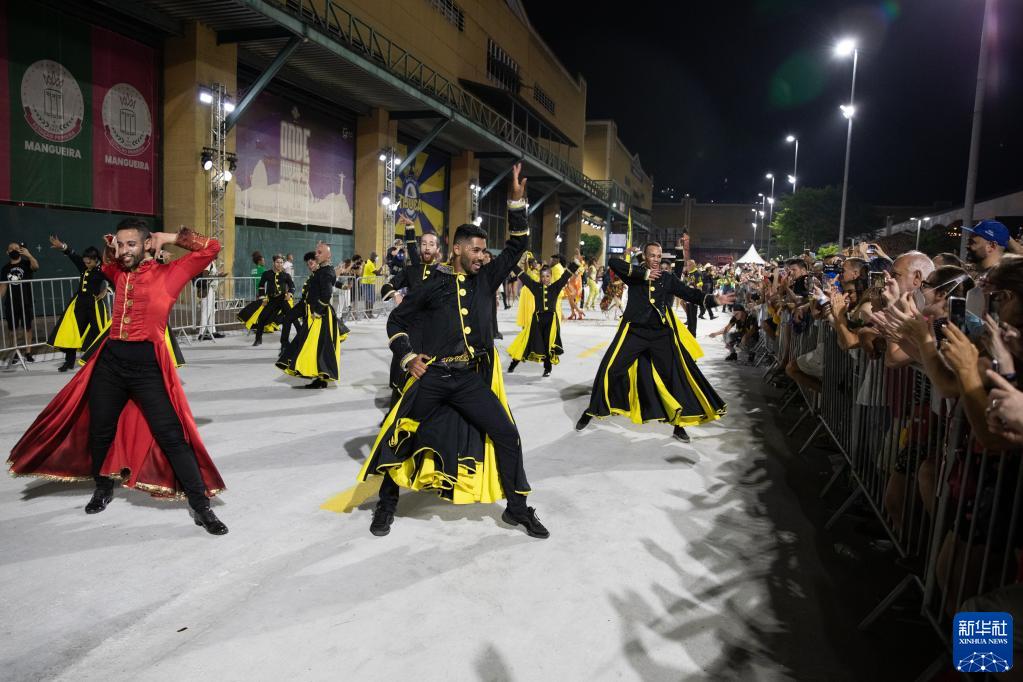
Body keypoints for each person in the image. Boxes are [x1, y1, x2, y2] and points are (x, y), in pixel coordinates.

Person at [358, 163, 548, 539]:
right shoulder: (433, 284)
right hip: (435, 376)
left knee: (507, 435)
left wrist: (516, 203)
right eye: (476, 250)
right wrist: (409, 357)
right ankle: (386, 504)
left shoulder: (488, 276)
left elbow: (518, 245)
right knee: (402, 432)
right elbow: (396, 321)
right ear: (458, 249)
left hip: (468, 380)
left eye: (483, 250)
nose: (482, 256)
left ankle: (517, 509)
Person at [7, 219, 228, 534]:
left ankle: (199, 504)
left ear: (146, 244)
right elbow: (108, 263)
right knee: (100, 430)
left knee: (171, 437)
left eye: (131, 244)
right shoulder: (117, 272)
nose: (123, 251)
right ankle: (103, 486)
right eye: (120, 245)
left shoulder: (172, 274)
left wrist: (167, 237)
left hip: (147, 367)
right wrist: (113, 248)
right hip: (110, 364)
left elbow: (212, 248)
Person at [576, 242, 731, 443]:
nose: (656, 259)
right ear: (645, 257)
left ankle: (679, 425)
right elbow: (614, 263)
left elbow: (690, 294)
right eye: (652, 255)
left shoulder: (667, 279)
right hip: (635, 333)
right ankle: (593, 409)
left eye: (658, 256)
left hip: (660, 335)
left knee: (674, 376)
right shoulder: (635, 275)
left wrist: (713, 300)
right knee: (610, 370)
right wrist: (642, 272)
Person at [379, 221, 442, 405]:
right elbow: (388, 285)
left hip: (433, 331)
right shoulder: (411, 270)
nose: (427, 247)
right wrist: (395, 294)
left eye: (431, 244)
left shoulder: (444, 272)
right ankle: (394, 412)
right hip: (410, 328)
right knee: (402, 371)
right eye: (424, 244)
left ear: (437, 249)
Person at [276, 242, 349, 388]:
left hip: (319, 315)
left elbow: (327, 294)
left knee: (317, 346)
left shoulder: (326, 271)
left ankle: (320, 378)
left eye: (320, 252)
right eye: (316, 251)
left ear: (328, 255)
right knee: (315, 345)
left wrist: (317, 312)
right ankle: (320, 378)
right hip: (315, 313)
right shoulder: (322, 271)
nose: (316, 254)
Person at [508, 254, 579, 377]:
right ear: (540, 278)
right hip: (537, 320)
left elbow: (565, 276)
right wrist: (512, 265)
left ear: (551, 277)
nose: (545, 278)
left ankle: (547, 368)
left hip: (551, 321)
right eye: (543, 276)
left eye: (547, 276)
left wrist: (575, 264)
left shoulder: (555, 287)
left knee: (548, 345)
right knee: (526, 341)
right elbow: (524, 277)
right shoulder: (535, 287)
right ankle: (514, 363)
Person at [46, 235, 110, 372]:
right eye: (85, 262)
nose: (85, 264)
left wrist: (107, 290)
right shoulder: (83, 267)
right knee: (73, 331)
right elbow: (72, 255)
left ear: (95, 260)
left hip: (94, 304)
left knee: (98, 332)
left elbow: (115, 281)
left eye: (88, 262)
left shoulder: (102, 270)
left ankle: (100, 361)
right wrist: (62, 246)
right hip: (80, 304)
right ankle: (69, 362)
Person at [239, 254, 295, 347]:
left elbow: (292, 286)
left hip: (282, 299)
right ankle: (258, 339)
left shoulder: (286, 275)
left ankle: (300, 338)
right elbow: (261, 286)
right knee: (262, 318)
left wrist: (289, 293)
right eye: (277, 262)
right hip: (271, 300)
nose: (279, 264)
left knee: (292, 317)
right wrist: (263, 298)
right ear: (274, 263)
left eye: (281, 262)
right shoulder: (267, 274)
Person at [1, 242, 40, 364]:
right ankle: (15, 352)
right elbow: (3, 287)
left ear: (21, 250)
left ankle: (28, 352)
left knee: (27, 328)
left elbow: (36, 267)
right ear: (7, 252)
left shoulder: (26, 263)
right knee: (12, 329)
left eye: (16, 248)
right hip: (11, 303)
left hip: (25, 301)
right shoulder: (5, 268)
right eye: (11, 248)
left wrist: (29, 256)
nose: (14, 250)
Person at [280, 251, 318, 350]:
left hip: (314, 307)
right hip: (303, 304)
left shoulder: (321, 274)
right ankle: (284, 344)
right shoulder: (312, 275)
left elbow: (332, 279)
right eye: (307, 264)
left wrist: (343, 286)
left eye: (311, 264)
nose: (309, 266)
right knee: (288, 317)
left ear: (317, 262)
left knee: (309, 330)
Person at [196, 259, 226, 341]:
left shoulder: (212, 262)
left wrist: (218, 275)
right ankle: (201, 333)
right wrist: (217, 276)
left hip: (211, 289)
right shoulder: (208, 262)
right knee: (206, 311)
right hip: (207, 289)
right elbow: (205, 275)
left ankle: (212, 331)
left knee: (212, 311)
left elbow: (211, 275)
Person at [361, 252, 378, 318]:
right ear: (373, 257)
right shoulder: (370, 263)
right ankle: (368, 313)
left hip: (370, 283)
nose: (377, 258)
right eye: (376, 257)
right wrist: (383, 266)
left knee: (371, 299)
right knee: (369, 299)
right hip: (368, 283)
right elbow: (377, 273)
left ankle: (368, 313)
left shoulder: (369, 262)